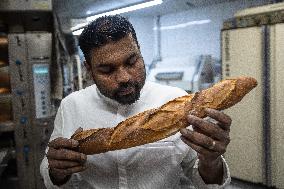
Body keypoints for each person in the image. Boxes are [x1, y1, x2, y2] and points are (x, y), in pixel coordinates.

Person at [40, 15, 232, 189]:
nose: (124, 77)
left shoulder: (175, 101)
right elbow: (52, 178)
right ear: (88, 70)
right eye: (107, 70)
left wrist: (211, 161)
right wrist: (57, 171)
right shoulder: (71, 106)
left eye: (132, 62)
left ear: (140, 53)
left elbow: (203, 180)